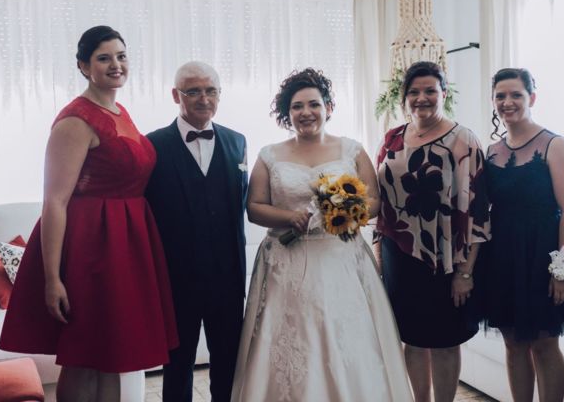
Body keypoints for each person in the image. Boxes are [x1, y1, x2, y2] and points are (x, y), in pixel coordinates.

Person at [0, 25, 179, 402]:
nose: (116, 65)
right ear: (83, 66)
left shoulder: (119, 110)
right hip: (91, 248)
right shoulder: (75, 120)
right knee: (83, 357)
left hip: (123, 246)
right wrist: (53, 279)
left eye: (121, 56)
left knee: (110, 355)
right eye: (104, 58)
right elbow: (54, 201)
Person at [230, 68, 413, 401]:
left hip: (339, 259)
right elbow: (254, 207)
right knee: (292, 339)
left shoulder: (351, 150)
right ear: (286, 114)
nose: (306, 112)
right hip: (287, 263)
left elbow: (374, 201)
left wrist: (343, 211)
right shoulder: (269, 155)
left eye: (313, 104)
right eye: (297, 106)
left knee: (343, 338)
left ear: (328, 107)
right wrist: (289, 217)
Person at [481, 67, 564, 402]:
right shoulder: (491, 151)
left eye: (516, 95)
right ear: (493, 101)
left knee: (544, 343)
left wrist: (562, 271)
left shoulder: (555, 145)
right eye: (500, 96)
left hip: (545, 254)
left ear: (532, 98)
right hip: (504, 255)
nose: (507, 102)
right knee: (513, 343)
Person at [374, 61, 490, 402]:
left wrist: (465, 272)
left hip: (446, 258)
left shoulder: (463, 139)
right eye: (414, 92)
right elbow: (380, 202)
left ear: (444, 93)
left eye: (430, 91)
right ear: (404, 97)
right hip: (399, 253)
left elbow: (479, 213)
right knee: (411, 338)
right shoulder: (392, 138)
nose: (421, 98)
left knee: (444, 341)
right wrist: (379, 255)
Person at [145, 61, 248, 402]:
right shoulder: (152, 145)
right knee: (177, 365)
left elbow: (242, 204)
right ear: (176, 95)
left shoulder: (238, 141)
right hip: (176, 279)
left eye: (210, 90)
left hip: (227, 277)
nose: (204, 99)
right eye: (193, 91)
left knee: (228, 362)